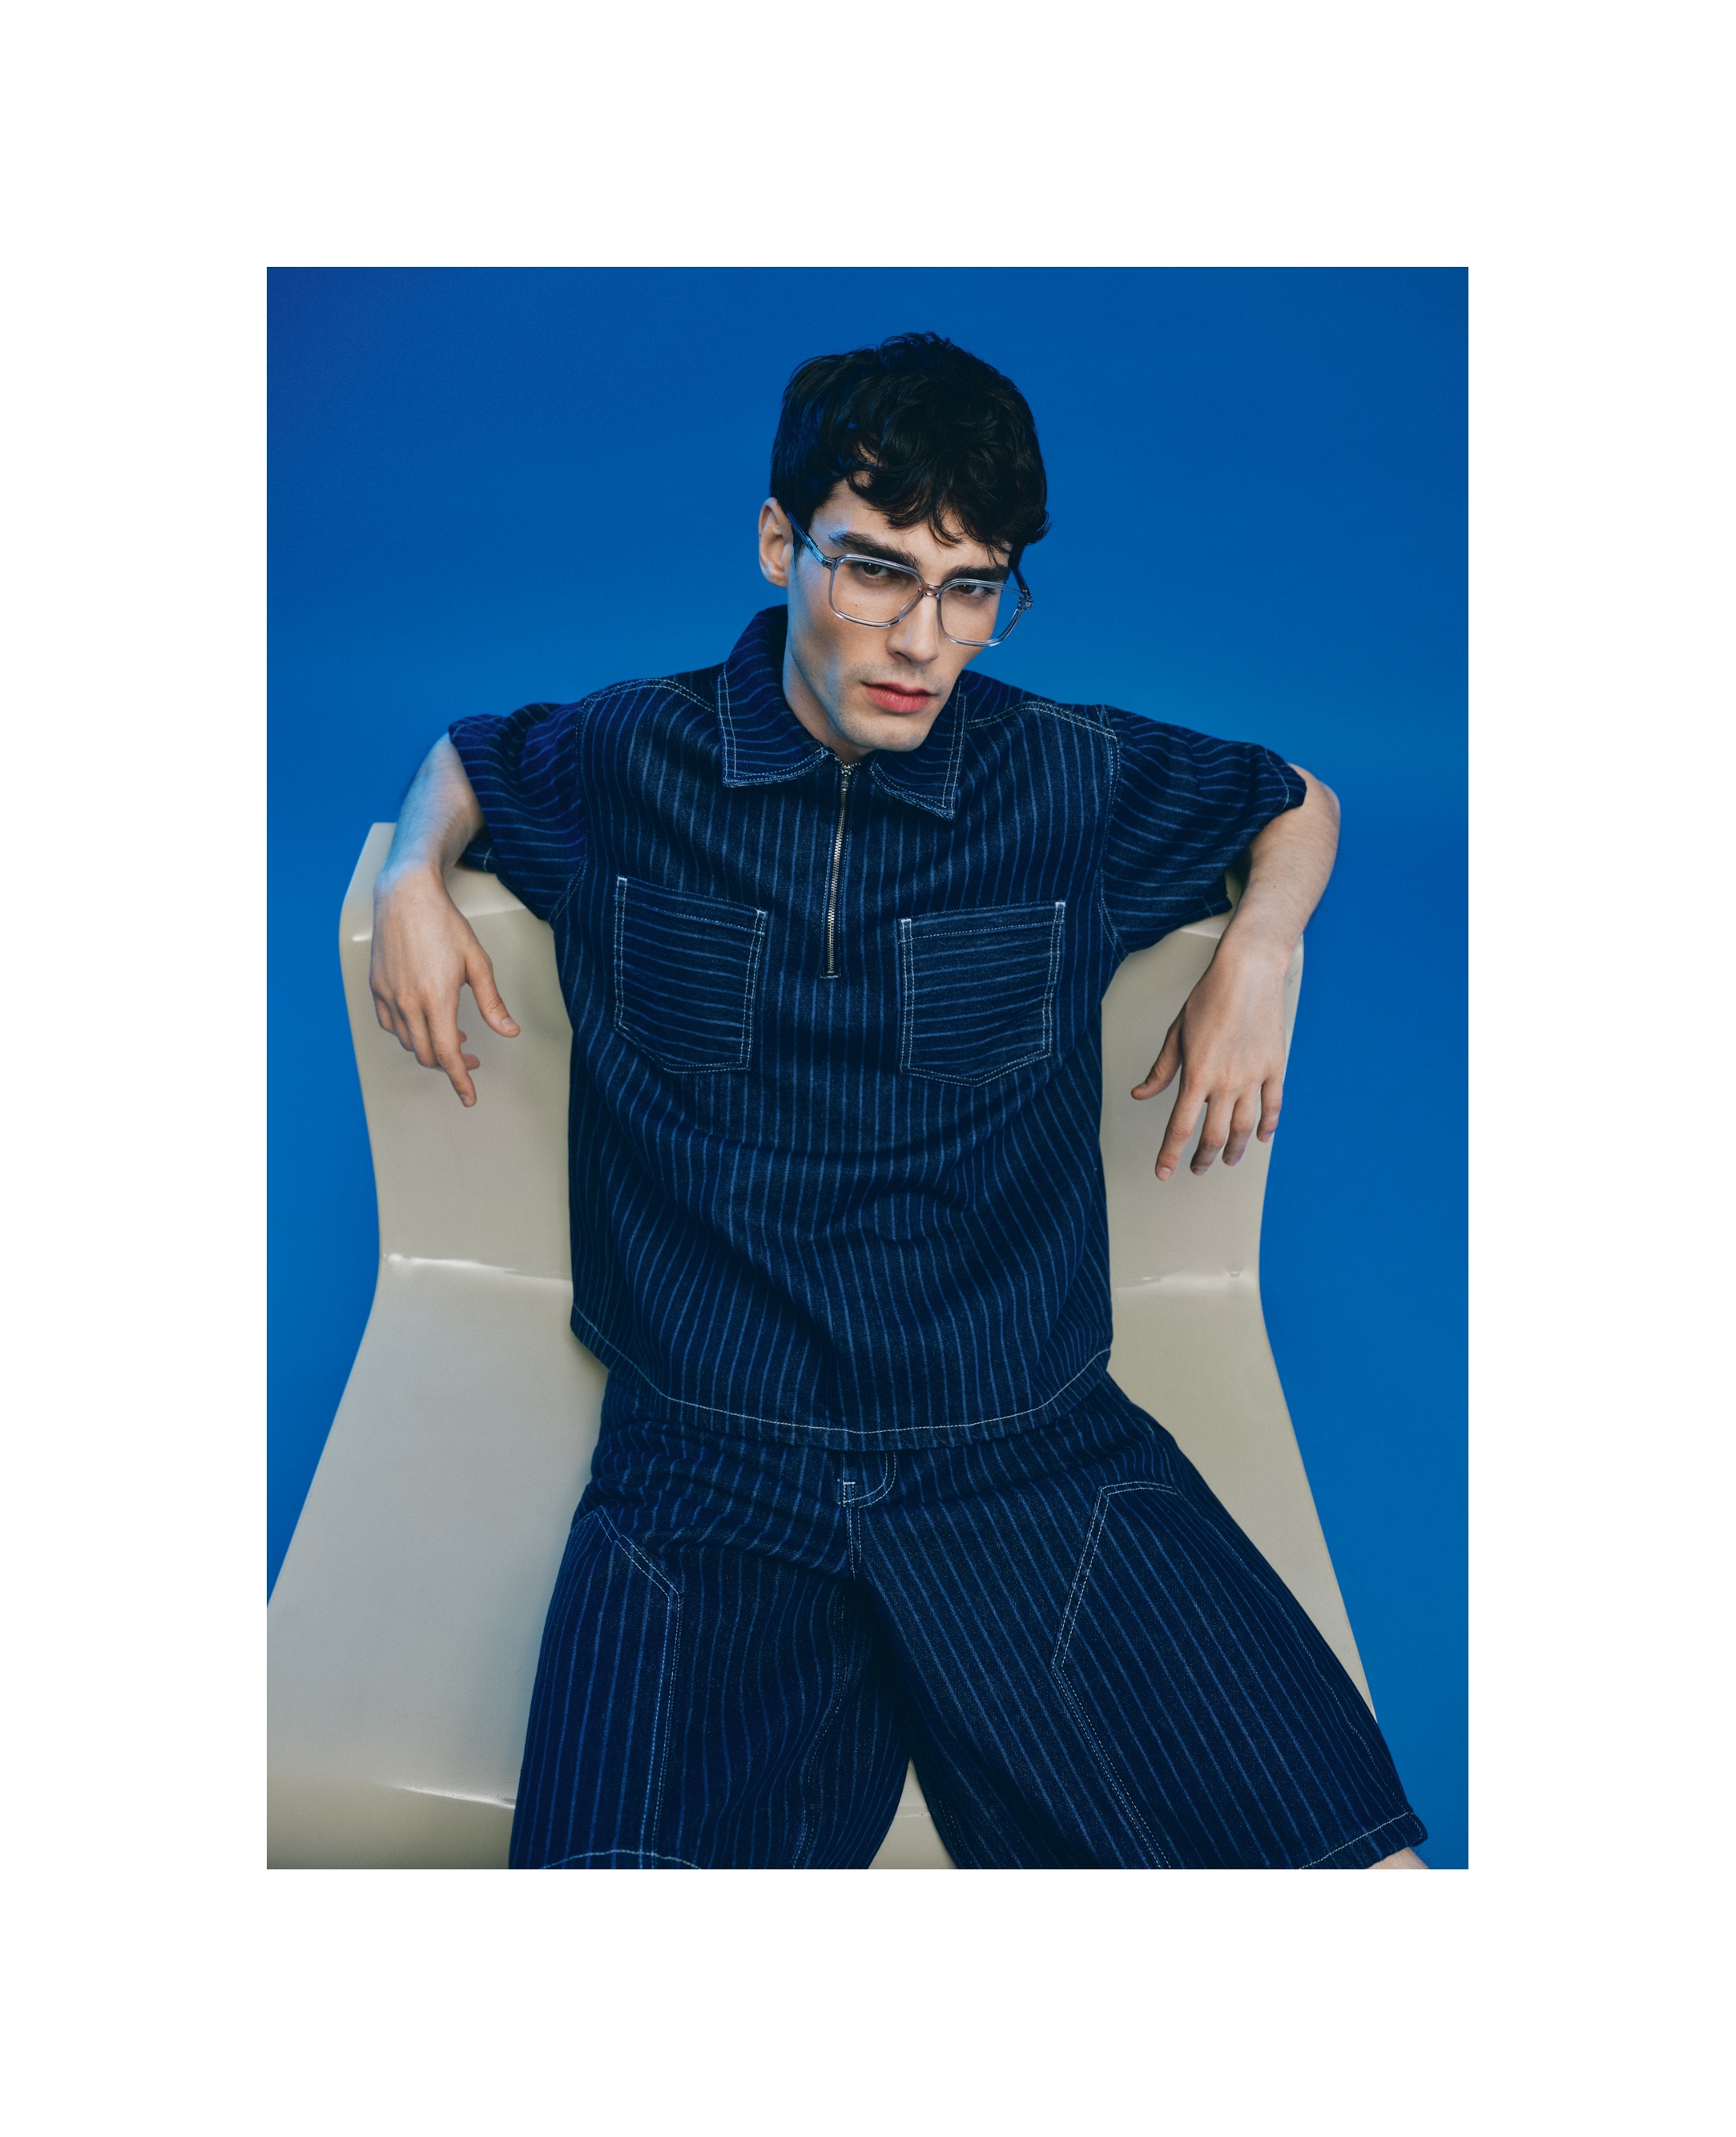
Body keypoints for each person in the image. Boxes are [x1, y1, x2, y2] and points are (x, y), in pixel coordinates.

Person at [368, 332, 1428, 1870]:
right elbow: (470, 755)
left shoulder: (1067, 779)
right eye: (876, 572)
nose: (923, 641)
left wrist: (1260, 948)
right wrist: (412, 872)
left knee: (1361, 1887)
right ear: (780, 544)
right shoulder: (633, 756)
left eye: (971, 588)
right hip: (710, 1469)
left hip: (1022, 1448)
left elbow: (1297, 800)